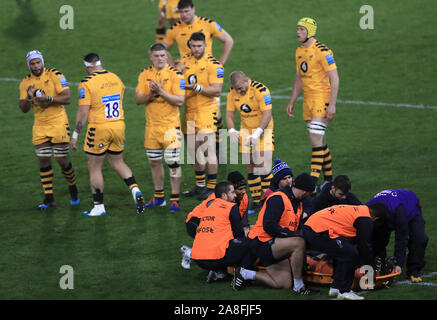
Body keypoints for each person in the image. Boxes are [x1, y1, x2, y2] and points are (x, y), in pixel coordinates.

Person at [70, 53, 145, 216]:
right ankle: (135, 190)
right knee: (117, 161)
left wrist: (75, 133)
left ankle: (98, 207)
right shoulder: (115, 78)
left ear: (87, 66)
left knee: (94, 167)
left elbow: (83, 111)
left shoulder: (86, 83)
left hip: (99, 128)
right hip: (118, 125)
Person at [234, 173, 318, 295]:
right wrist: (291, 235)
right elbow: (269, 226)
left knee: (283, 283)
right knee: (298, 242)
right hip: (261, 242)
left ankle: (244, 273)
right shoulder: (278, 198)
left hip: (275, 244)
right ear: (305, 191)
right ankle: (299, 287)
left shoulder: (298, 204)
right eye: (310, 193)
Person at [19, 50, 79, 210]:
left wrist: (48, 99)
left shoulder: (55, 75)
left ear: (42, 62)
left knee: (61, 160)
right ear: (29, 65)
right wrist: (28, 97)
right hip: (40, 126)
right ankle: (49, 198)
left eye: (38, 62)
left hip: (58, 122)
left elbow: (67, 98)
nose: (36, 66)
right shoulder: (26, 83)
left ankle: (73, 187)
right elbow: (23, 109)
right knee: (43, 160)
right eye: (33, 63)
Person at [286, 17, 339, 191]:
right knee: (320, 141)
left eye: (302, 29)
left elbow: (334, 78)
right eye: (298, 29)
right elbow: (299, 78)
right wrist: (292, 100)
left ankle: (312, 184)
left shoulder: (323, 51)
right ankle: (329, 180)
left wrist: (332, 104)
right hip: (308, 102)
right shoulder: (299, 51)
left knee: (315, 142)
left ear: (310, 31)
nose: (298, 32)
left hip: (320, 100)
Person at [135, 43, 185, 211]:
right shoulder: (145, 75)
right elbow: (138, 100)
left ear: (167, 56)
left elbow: (179, 101)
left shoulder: (176, 75)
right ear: (151, 57)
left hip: (170, 127)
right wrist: (151, 93)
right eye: (156, 56)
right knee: (154, 162)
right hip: (152, 128)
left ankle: (175, 198)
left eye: (163, 55)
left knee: (173, 163)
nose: (160, 59)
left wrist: (161, 92)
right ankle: (159, 197)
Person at [303, 203, 387, 300]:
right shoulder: (365, 219)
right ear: (376, 218)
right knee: (351, 254)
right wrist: (370, 269)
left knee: (345, 253)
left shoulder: (360, 210)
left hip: (314, 227)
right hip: (318, 230)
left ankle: (336, 287)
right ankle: (344, 291)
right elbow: (365, 246)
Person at [177, 32, 224, 200]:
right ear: (189, 45)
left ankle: (211, 188)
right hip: (189, 112)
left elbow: (217, 90)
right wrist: (177, 72)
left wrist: (195, 88)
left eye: (199, 46)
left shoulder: (214, 64)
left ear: (205, 45)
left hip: (206, 112)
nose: (196, 49)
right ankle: (200, 185)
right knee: (193, 151)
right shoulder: (184, 62)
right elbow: (174, 82)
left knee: (208, 150)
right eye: (193, 46)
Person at [181, 171, 249, 271]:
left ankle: (216, 266)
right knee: (212, 243)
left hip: (214, 224)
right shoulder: (216, 200)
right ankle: (191, 253)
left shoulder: (244, 199)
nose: (243, 192)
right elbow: (212, 219)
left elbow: (242, 223)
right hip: (196, 221)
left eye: (244, 188)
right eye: (239, 189)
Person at [226, 71, 274, 213]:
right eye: (237, 89)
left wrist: (257, 133)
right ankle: (257, 201)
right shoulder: (232, 93)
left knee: (263, 167)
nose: (239, 91)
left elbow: (267, 114)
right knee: (251, 167)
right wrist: (231, 130)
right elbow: (229, 114)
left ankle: (268, 200)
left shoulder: (261, 90)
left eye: (241, 88)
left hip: (263, 130)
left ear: (247, 80)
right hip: (246, 132)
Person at [191, 181, 253, 280]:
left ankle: (219, 271)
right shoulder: (231, 207)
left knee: (223, 242)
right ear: (224, 195)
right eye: (232, 192)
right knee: (251, 244)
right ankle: (242, 274)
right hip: (214, 257)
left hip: (198, 259)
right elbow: (239, 234)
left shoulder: (208, 206)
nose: (235, 195)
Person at [366, 189, 428, 283]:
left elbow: (401, 238)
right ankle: (379, 265)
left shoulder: (399, 213)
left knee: (419, 238)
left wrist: (399, 263)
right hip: (385, 212)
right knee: (378, 238)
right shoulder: (366, 209)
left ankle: (414, 270)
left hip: (410, 206)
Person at [162, 0, 233, 66]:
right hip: (187, 72)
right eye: (181, 12)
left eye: (186, 11)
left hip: (207, 70)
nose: (184, 15)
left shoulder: (207, 24)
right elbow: (161, 49)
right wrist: (172, 67)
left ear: (193, 9)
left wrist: (221, 63)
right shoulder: (174, 29)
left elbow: (228, 40)